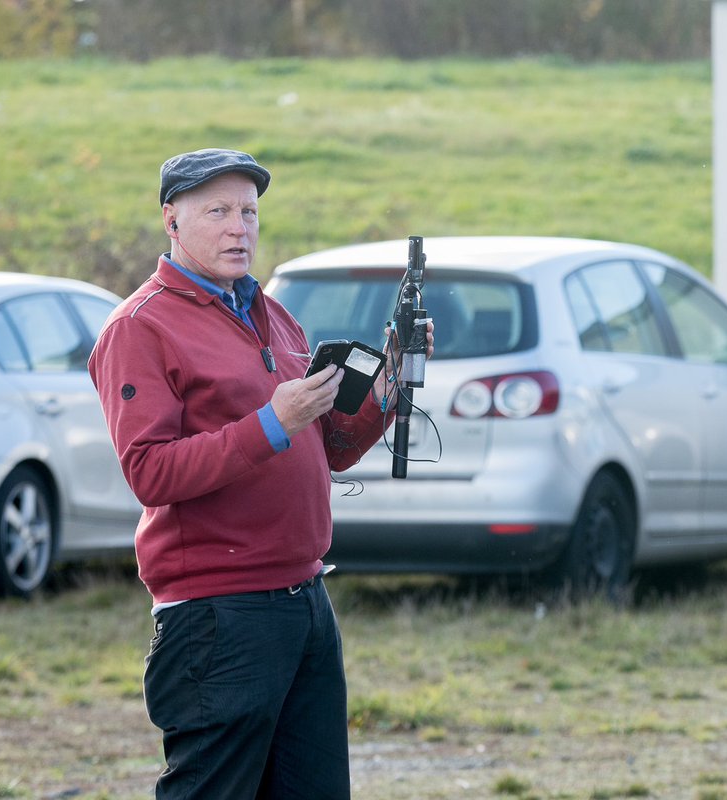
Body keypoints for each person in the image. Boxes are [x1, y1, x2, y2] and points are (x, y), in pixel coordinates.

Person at [88, 148, 431, 799]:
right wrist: (272, 422)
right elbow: (149, 473)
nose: (238, 228)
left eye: (248, 211)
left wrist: (389, 387)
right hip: (218, 616)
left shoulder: (273, 313)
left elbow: (326, 449)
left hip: (304, 600)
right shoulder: (140, 327)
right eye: (217, 211)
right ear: (171, 219)